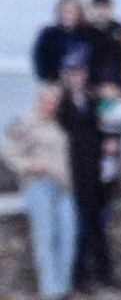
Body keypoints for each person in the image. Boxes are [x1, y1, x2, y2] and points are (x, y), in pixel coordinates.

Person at [7, 84, 78, 299]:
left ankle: (63, 287)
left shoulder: (59, 124)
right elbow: (10, 152)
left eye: (54, 102)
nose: (49, 105)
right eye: (46, 101)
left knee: (68, 236)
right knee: (45, 238)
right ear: (39, 100)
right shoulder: (26, 122)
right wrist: (29, 165)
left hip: (64, 187)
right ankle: (51, 291)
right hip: (40, 186)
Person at [57, 54, 117, 292]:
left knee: (99, 226)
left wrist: (110, 141)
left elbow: (110, 122)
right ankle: (80, 277)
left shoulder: (95, 100)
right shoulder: (59, 103)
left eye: (79, 72)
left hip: (96, 172)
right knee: (79, 227)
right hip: (73, 173)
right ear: (64, 75)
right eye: (71, 72)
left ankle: (105, 273)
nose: (76, 76)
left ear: (85, 74)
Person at [33, 0, 84, 83]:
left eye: (71, 12)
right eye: (64, 11)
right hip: (53, 82)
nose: (67, 15)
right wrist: (50, 78)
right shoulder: (48, 34)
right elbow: (39, 59)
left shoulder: (85, 35)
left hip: (79, 84)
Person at [81, 0, 121, 93]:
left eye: (105, 8)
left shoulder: (119, 31)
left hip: (115, 87)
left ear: (111, 9)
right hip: (90, 87)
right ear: (91, 10)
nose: (101, 12)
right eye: (97, 8)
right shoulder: (84, 32)